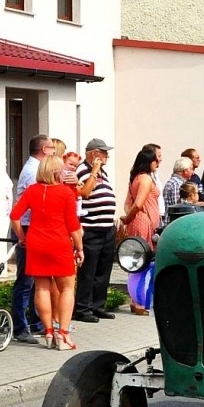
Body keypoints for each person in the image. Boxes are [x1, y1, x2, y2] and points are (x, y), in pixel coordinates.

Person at [10, 155, 82, 348]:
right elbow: (73, 225)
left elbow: (15, 215)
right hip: (59, 243)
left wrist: (22, 237)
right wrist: (80, 248)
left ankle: (48, 332)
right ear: (57, 172)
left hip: (36, 243)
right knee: (66, 288)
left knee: (41, 288)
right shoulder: (65, 193)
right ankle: (63, 335)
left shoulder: (32, 191)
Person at [11, 135, 53, 338]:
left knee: (38, 280)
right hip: (28, 229)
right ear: (44, 150)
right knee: (26, 281)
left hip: (34, 229)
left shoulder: (36, 169)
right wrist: (22, 236)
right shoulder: (33, 172)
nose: (54, 152)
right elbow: (28, 207)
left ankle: (37, 321)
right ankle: (20, 327)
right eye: (52, 148)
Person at [72, 138, 118, 324]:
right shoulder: (84, 171)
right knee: (88, 271)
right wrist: (94, 171)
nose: (107, 156)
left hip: (107, 227)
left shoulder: (102, 173)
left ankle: (98, 306)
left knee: (103, 270)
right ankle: (83, 308)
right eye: (104, 152)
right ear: (93, 153)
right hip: (92, 227)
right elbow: (85, 193)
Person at [121, 144, 163, 315]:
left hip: (140, 221)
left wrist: (129, 217)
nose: (158, 162)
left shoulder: (135, 178)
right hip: (143, 222)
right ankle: (139, 302)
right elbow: (138, 204)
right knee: (142, 261)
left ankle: (136, 300)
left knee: (138, 261)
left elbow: (127, 203)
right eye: (155, 159)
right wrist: (131, 217)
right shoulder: (145, 178)